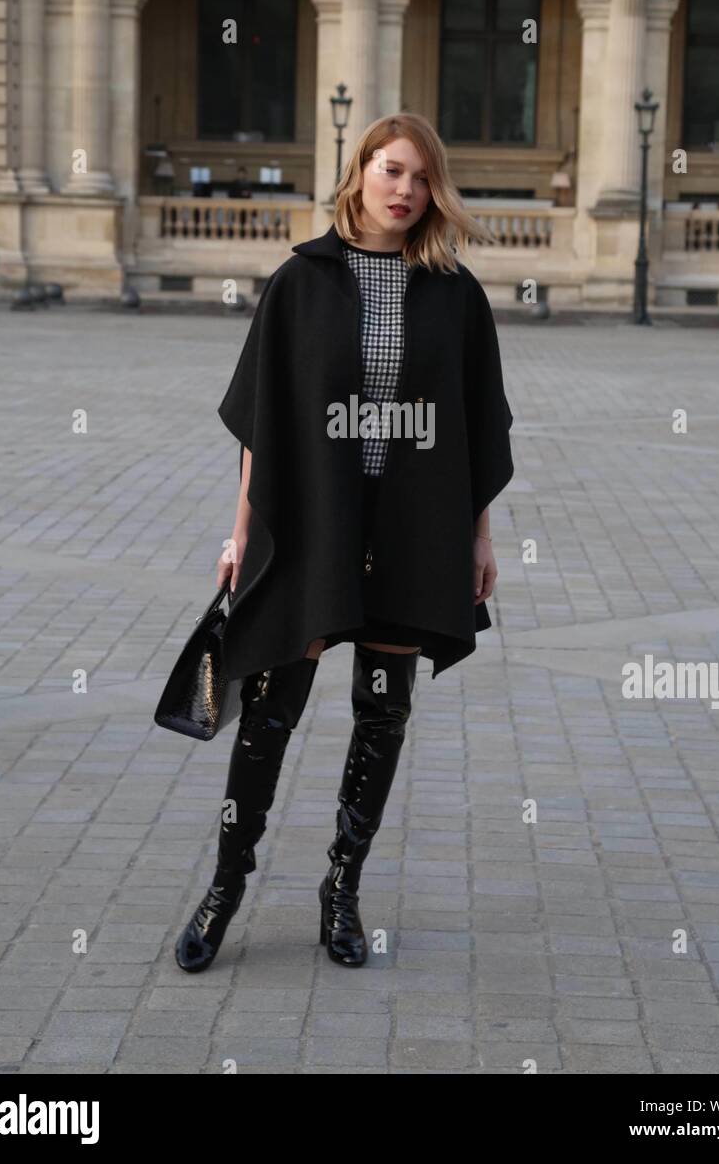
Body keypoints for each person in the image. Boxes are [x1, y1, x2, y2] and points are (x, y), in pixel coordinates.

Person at [175, 112, 514, 973]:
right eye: (392, 170)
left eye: (422, 178)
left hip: (413, 527)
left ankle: (341, 892)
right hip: (315, 524)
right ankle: (224, 887)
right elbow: (263, 423)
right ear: (359, 171)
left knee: (383, 711)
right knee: (269, 713)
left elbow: (474, 429)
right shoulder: (302, 283)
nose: (406, 190)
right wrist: (241, 534)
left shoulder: (454, 293)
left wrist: (479, 537)